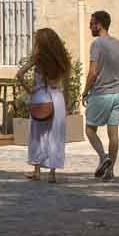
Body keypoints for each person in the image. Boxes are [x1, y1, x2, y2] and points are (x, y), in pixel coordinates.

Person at [82, 9, 119, 181]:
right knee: (113, 134)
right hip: (117, 95)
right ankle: (111, 170)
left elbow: (92, 72)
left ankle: (103, 156)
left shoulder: (97, 44)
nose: (89, 26)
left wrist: (85, 92)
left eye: (92, 23)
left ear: (99, 25)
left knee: (90, 130)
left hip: (100, 94)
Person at [22, 26, 72, 182]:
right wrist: (68, 102)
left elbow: (19, 74)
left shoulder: (38, 59)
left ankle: (37, 171)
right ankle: (52, 173)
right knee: (56, 136)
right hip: (57, 99)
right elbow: (67, 85)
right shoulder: (62, 60)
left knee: (37, 135)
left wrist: (30, 90)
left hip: (40, 97)